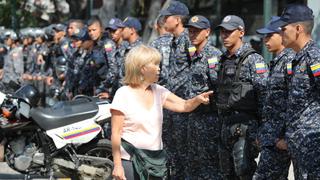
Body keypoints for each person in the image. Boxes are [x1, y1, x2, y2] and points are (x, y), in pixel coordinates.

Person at [110, 45, 213, 180]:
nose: (159, 68)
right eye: (155, 64)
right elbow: (115, 134)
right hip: (130, 161)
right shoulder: (123, 94)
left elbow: (184, 105)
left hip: (155, 163)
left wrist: (197, 100)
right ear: (142, 68)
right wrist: (117, 165)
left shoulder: (159, 91)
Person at [215, 15, 268, 180]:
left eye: (229, 32)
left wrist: (262, 130)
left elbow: (264, 97)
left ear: (241, 32)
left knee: (244, 171)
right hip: (225, 126)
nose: (224, 36)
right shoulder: (222, 60)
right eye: (222, 32)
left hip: (245, 127)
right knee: (226, 173)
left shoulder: (254, 60)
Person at [275, 4, 320, 179]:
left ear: (298, 28)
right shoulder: (296, 59)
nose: (280, 33)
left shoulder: (314, 58)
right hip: (299, 145)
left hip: (313, 146)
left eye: (283, 28)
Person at [253, 16, 295, 180]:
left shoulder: (290, 61)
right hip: (271, 137)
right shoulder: (277, 61)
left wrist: (285, 137)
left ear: (282, 35)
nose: (265, 40)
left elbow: (296, 100)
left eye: (270, 35)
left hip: (280, 138)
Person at [184, 15, 223, 179]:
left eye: (197, 31)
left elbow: (218, 87)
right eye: (190, 31)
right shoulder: (193, 55)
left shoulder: (213, 55)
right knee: (193, 164)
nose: (192, 35)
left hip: (208, 119)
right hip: (194, 119)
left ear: (207, 32)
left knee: (209, 167)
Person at [159, 1, 191, 178]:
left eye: (167, 17)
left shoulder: (188, 40)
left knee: (183, 152)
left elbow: (195, 69)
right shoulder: (173, 41)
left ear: (177, 19)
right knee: (171, 150)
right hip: (171, 105)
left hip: (183, 106)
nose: (163, 20)